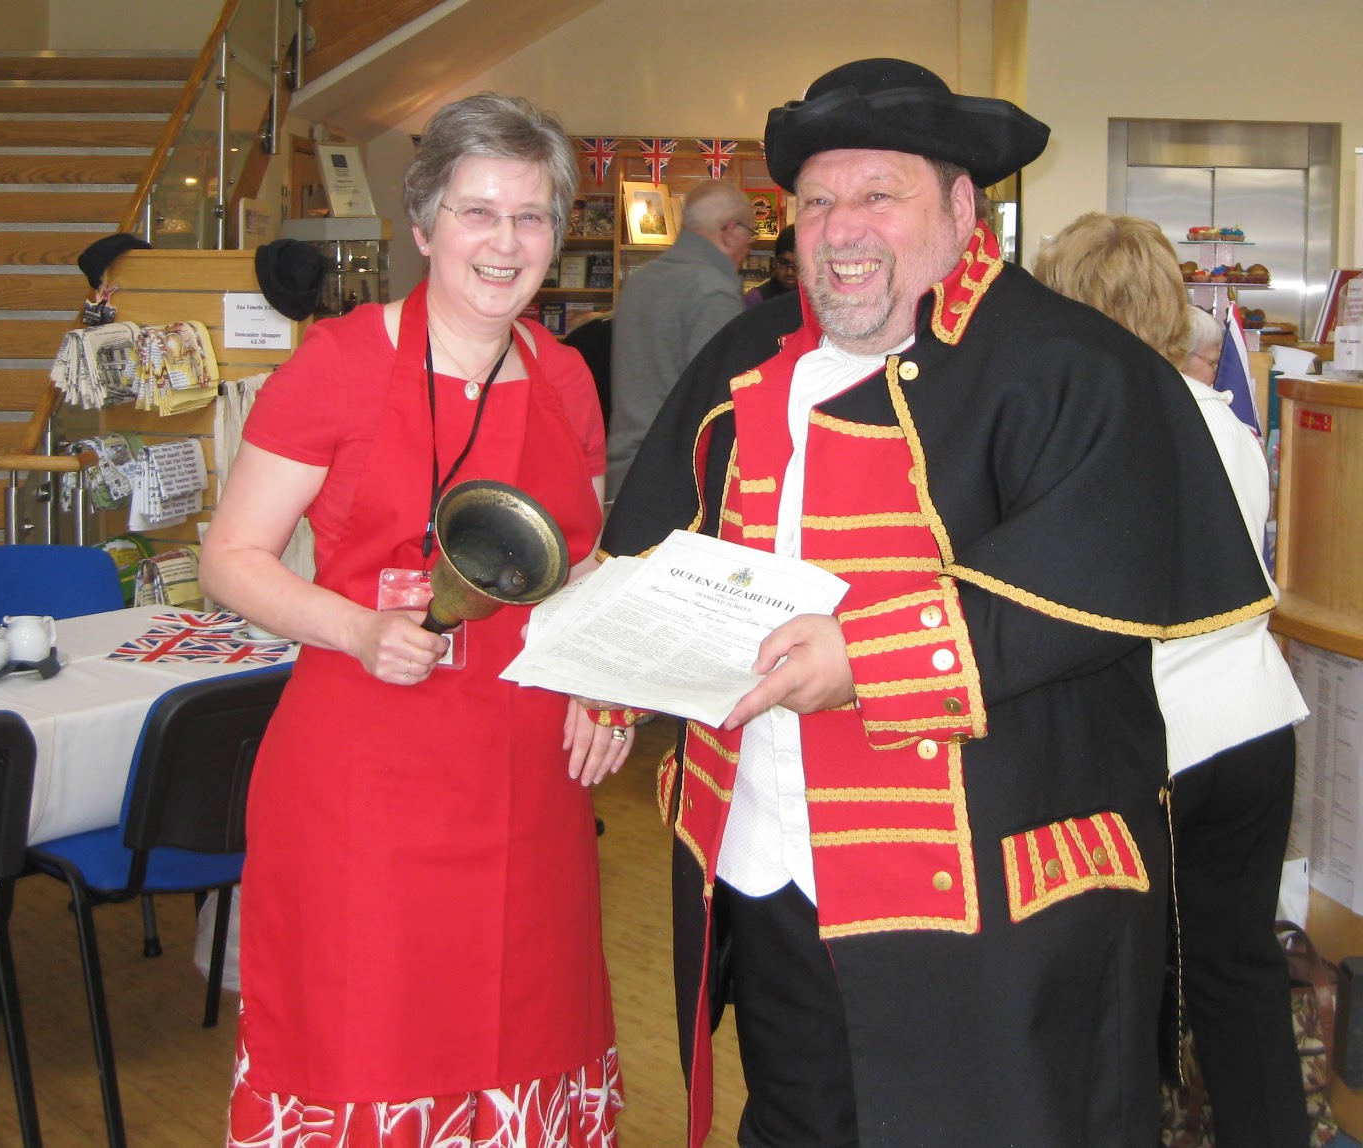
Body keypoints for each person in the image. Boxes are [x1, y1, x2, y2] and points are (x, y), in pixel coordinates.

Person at [598, 59, 1276, 1147]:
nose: (840, 228)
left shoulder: (1070, 365)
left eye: (879, 194)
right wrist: (615, 666)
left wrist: (862, 656)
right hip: (770, 868)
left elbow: (1079, 588)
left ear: (962, 208)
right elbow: (654, 548)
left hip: (998, 917)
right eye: (816, 201)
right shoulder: (742, 354)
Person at [199, 92, 630, 1147]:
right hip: (365, 778)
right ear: (426, 223)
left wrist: (604, 682)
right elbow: (229, 559)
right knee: (367, 1034)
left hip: (529, 782)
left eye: (532, 217)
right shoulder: (339, 363)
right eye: (478, 212)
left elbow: (583, 564)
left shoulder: (565, 374)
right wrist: (350, 625)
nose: (507, 242)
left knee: (527, 1026)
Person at [1038, 216, 1310, 1148]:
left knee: (1122, 976)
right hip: (1255, 724)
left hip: (1155, 743)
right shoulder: (1227, 422)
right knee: (1240, 970)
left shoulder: (1081, 422)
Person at [605, 180, 753, 499]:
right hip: (678, 483)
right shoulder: (713, 292)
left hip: (623, 474)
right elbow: (720, 405)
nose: (749, 247)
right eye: (749, 233)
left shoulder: (640, 282)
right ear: (729, 231)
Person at [744, 224, 797, 309]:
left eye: (797, 265)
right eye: (783, 263)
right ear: (774, 261)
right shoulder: (756, 300)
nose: (789, 272)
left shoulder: (817, 300)